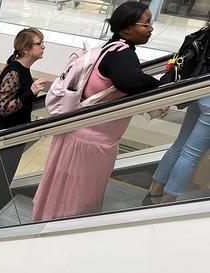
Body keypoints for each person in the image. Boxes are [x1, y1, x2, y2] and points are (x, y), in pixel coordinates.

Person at [32, 1, 161, 221]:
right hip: (92, 143)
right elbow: (129, 81)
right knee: (78, 198)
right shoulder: (123, 54)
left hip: (75, 136)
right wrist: (159, 83)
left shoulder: (108, 48)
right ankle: (64, 235)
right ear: (127, 27)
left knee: (61, 191)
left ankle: (46, 227)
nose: (151, 29)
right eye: (146, 23)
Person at [0, 28, 46, 224]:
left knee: (3, 176)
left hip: (14, 132)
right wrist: (30, 92)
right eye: (40, 43)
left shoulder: (23, 69)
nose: (43, 47)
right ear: (27, 48)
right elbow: (4, 107)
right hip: (2, 132)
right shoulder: (14, 71)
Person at [143, 96, 210, 204]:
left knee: (178, 146)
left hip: (200, 93)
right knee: (190, 155)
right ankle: (166, 202)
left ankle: (154, 193)